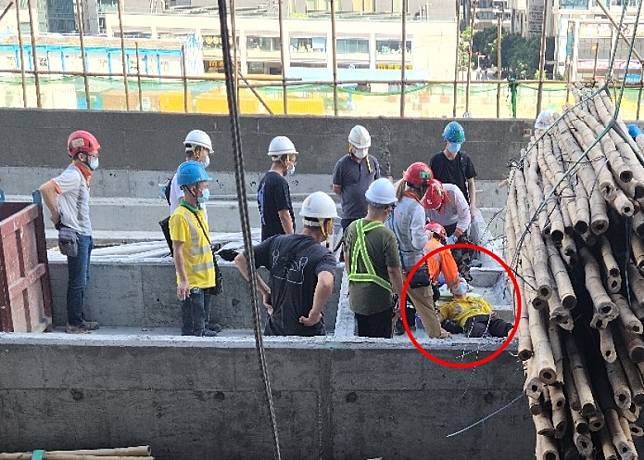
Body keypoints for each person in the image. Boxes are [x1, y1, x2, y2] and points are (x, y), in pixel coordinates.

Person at [234, 191, 338, 336]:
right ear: (326, 224)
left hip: (274, 332)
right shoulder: (323, 256)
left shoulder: (277, 241)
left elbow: (241, 259)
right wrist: (314, 314)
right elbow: (326, 283)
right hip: (305, 335)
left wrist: (265, 291)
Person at [39, 130, 101, 333]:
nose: (96, 159)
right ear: (82, 156)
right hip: (77, 234)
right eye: (93, 155)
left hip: (83, 233)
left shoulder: (80, 175)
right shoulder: (73, 175)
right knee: (77, 280)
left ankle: (78, 319)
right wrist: (57, 216)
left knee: (82, 279)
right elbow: (46, 189)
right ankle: (74, 322)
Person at [387, 162, 449, 339]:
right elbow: (417, 242)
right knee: (425, 304)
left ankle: (385, 336)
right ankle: (436, 335)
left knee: (395, 302)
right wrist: (428, 235)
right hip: (413, 265)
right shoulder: (416, 208)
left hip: (392, 262)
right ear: (423, 187)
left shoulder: (394, 200)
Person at [344, 178, 403, 338]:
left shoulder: (352, 227)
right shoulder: (387, 235)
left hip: (356, 299)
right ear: (388, 208)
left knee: (362, 341)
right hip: (379, 302)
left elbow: (347, 259)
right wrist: (401, 297)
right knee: (380, 348)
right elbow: (394, 271)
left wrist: (352, 284)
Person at [169, 161, 218, 337]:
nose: (206, 189)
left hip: (205, 280)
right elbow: (178, 251)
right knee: (195, 333)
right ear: (191, 187)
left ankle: (203, 327)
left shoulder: (196, 212)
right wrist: (183, 280)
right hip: (193, 283)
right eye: (203, 186)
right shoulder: (179, 217)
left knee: (202, 327)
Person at [161, 130, 213, 254]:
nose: (207, 157)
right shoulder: (185, 176)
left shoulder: (190, 174)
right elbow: (187, 207)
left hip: (195, 240)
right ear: (198, 151)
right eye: (206, 152)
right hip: (190, 243)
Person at [332, 125, 380, 233]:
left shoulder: (373, 162)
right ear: (351, 146)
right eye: (359, 148)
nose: (362, 151)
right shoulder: (342, 164)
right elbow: (337, 188)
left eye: (365, 148)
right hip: (350, 216)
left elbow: (377, 185)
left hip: (370, 215)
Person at [429, 121, 477, 216]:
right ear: (446, 140)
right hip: (442, 208)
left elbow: (471, 183)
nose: (455, 146)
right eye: (453, 142)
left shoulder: (464, 159)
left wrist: (472, 205)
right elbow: (431, 184)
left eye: (458, 143)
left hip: (461, 207)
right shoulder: (436, 160)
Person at [257, 136, 299, 241]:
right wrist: (291, 240)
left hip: (267, 240)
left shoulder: (264, 180)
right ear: (286, 159)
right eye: (292, 160)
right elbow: (284, 215)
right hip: (279, 242)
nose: (293, 164)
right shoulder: (279, 182)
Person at [438, 280, 512, 338]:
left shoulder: (477, 299)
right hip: (471, 320)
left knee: (501, 326)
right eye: (455, 284)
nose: (459, 286)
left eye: (461, 283)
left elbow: (490, 311)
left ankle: (514, 334)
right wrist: (440, 328)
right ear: (451, 290)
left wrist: (494, 316)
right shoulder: (450, 305)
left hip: (487, 317)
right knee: (478, 329)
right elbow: (439, 316)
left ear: (466, 287)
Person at [424, 222, 460, 300]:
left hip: (403, 285)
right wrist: (458, 294)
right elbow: (452, 275)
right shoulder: (441, 248)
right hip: (422, 285)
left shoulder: (414, 242)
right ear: (441, 238)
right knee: (435, 295)